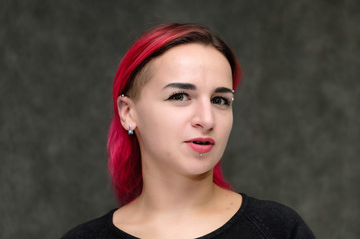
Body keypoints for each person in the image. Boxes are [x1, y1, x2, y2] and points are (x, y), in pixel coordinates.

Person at [62, 23, 315, 239]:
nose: (206, 119)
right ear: (128, 113)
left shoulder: (278, 230)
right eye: (180, 96)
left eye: (220, 100)